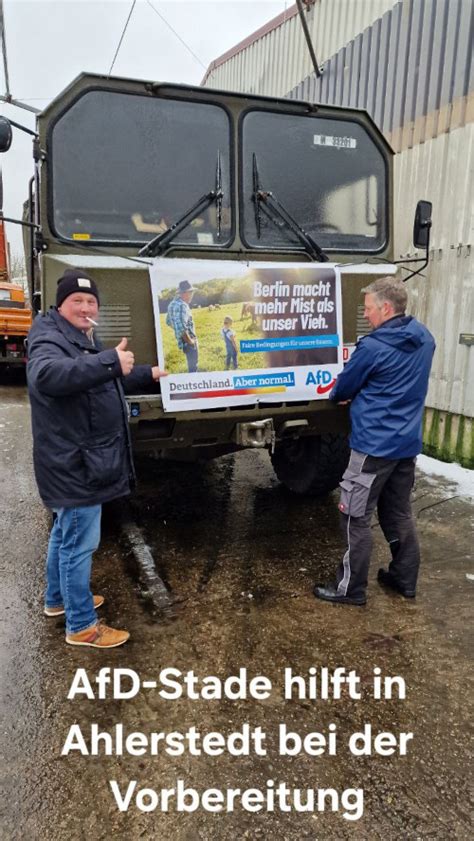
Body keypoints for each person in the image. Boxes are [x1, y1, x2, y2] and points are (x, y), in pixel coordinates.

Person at [27, 268, 167, 648]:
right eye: (78, 301)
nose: (86, 307)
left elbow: (104, 377)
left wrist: (147, 373)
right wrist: (108, 361)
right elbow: (48, 376)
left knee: (64, 535)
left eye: (91, 302)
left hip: (78, 460)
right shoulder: (48, 337)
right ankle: (82, 626)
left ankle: (58, 601)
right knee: (79, 543)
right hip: (73, 464)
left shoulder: (79, 336)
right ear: (60, 304)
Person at [313, 276, 435, 606]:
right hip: (405, 443)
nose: (365, 315)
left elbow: (343, 388)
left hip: (373, 447)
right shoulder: (425, 338)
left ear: (385, 307)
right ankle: (404, 579)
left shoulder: (373, 347)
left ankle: (350, 589)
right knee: (398, 513)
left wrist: (346, 395)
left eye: (368, 309)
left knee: (354, 516)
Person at [166, 279, 198, 372]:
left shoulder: (172, 304)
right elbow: (181, 327)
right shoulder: (182, 305)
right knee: (193, 368)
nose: (192, 294)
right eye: (191, 292)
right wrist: (191, 342)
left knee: (191, 365)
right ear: (184, 293)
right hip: (189, 342)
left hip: (184, 342)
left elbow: (168, 321)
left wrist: (178, 330)